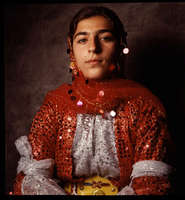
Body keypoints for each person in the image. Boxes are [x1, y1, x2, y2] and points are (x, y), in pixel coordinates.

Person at [13, 6, 175, 195]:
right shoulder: (55, 105)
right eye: (82, 40)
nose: (93, 48)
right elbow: (32, 177)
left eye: (105, 38)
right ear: (71, 49)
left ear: (120, 45)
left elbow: (150, 183)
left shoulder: (144, 107)